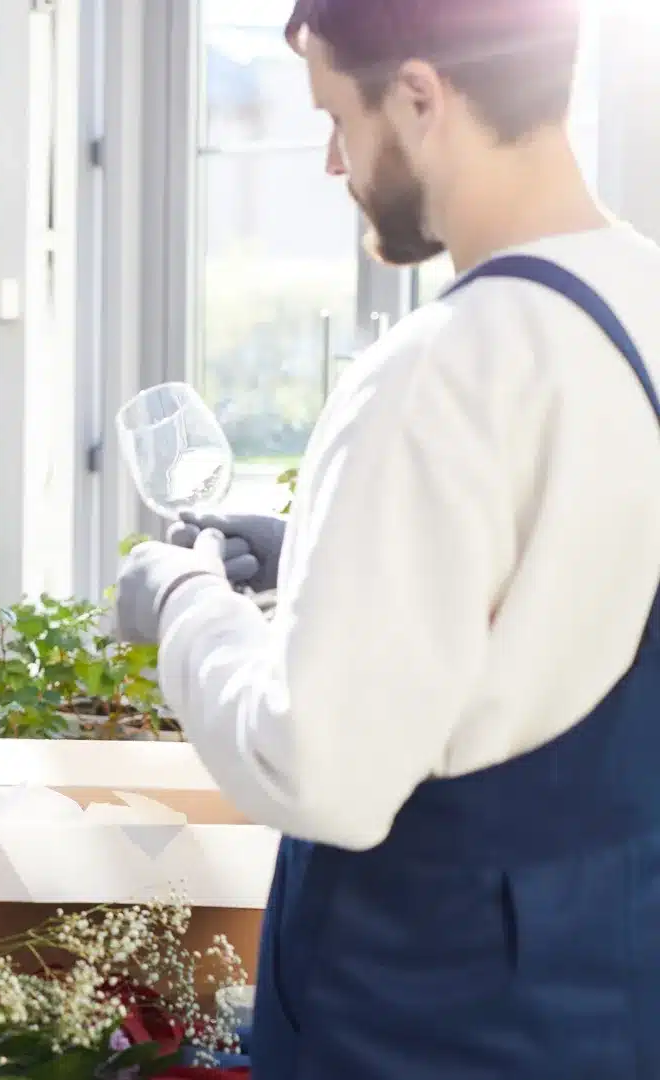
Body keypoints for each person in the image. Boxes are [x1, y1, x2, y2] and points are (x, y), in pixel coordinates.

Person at [113, 1, 660, 1076]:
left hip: (430, 1020)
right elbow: (571, 584)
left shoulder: (442, 368)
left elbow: (315, 766)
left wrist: (184, 604)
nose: (331, 161)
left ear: (419, 95)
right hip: (607, 1004)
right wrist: (314, 545)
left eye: (337, 117)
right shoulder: (640, 296)